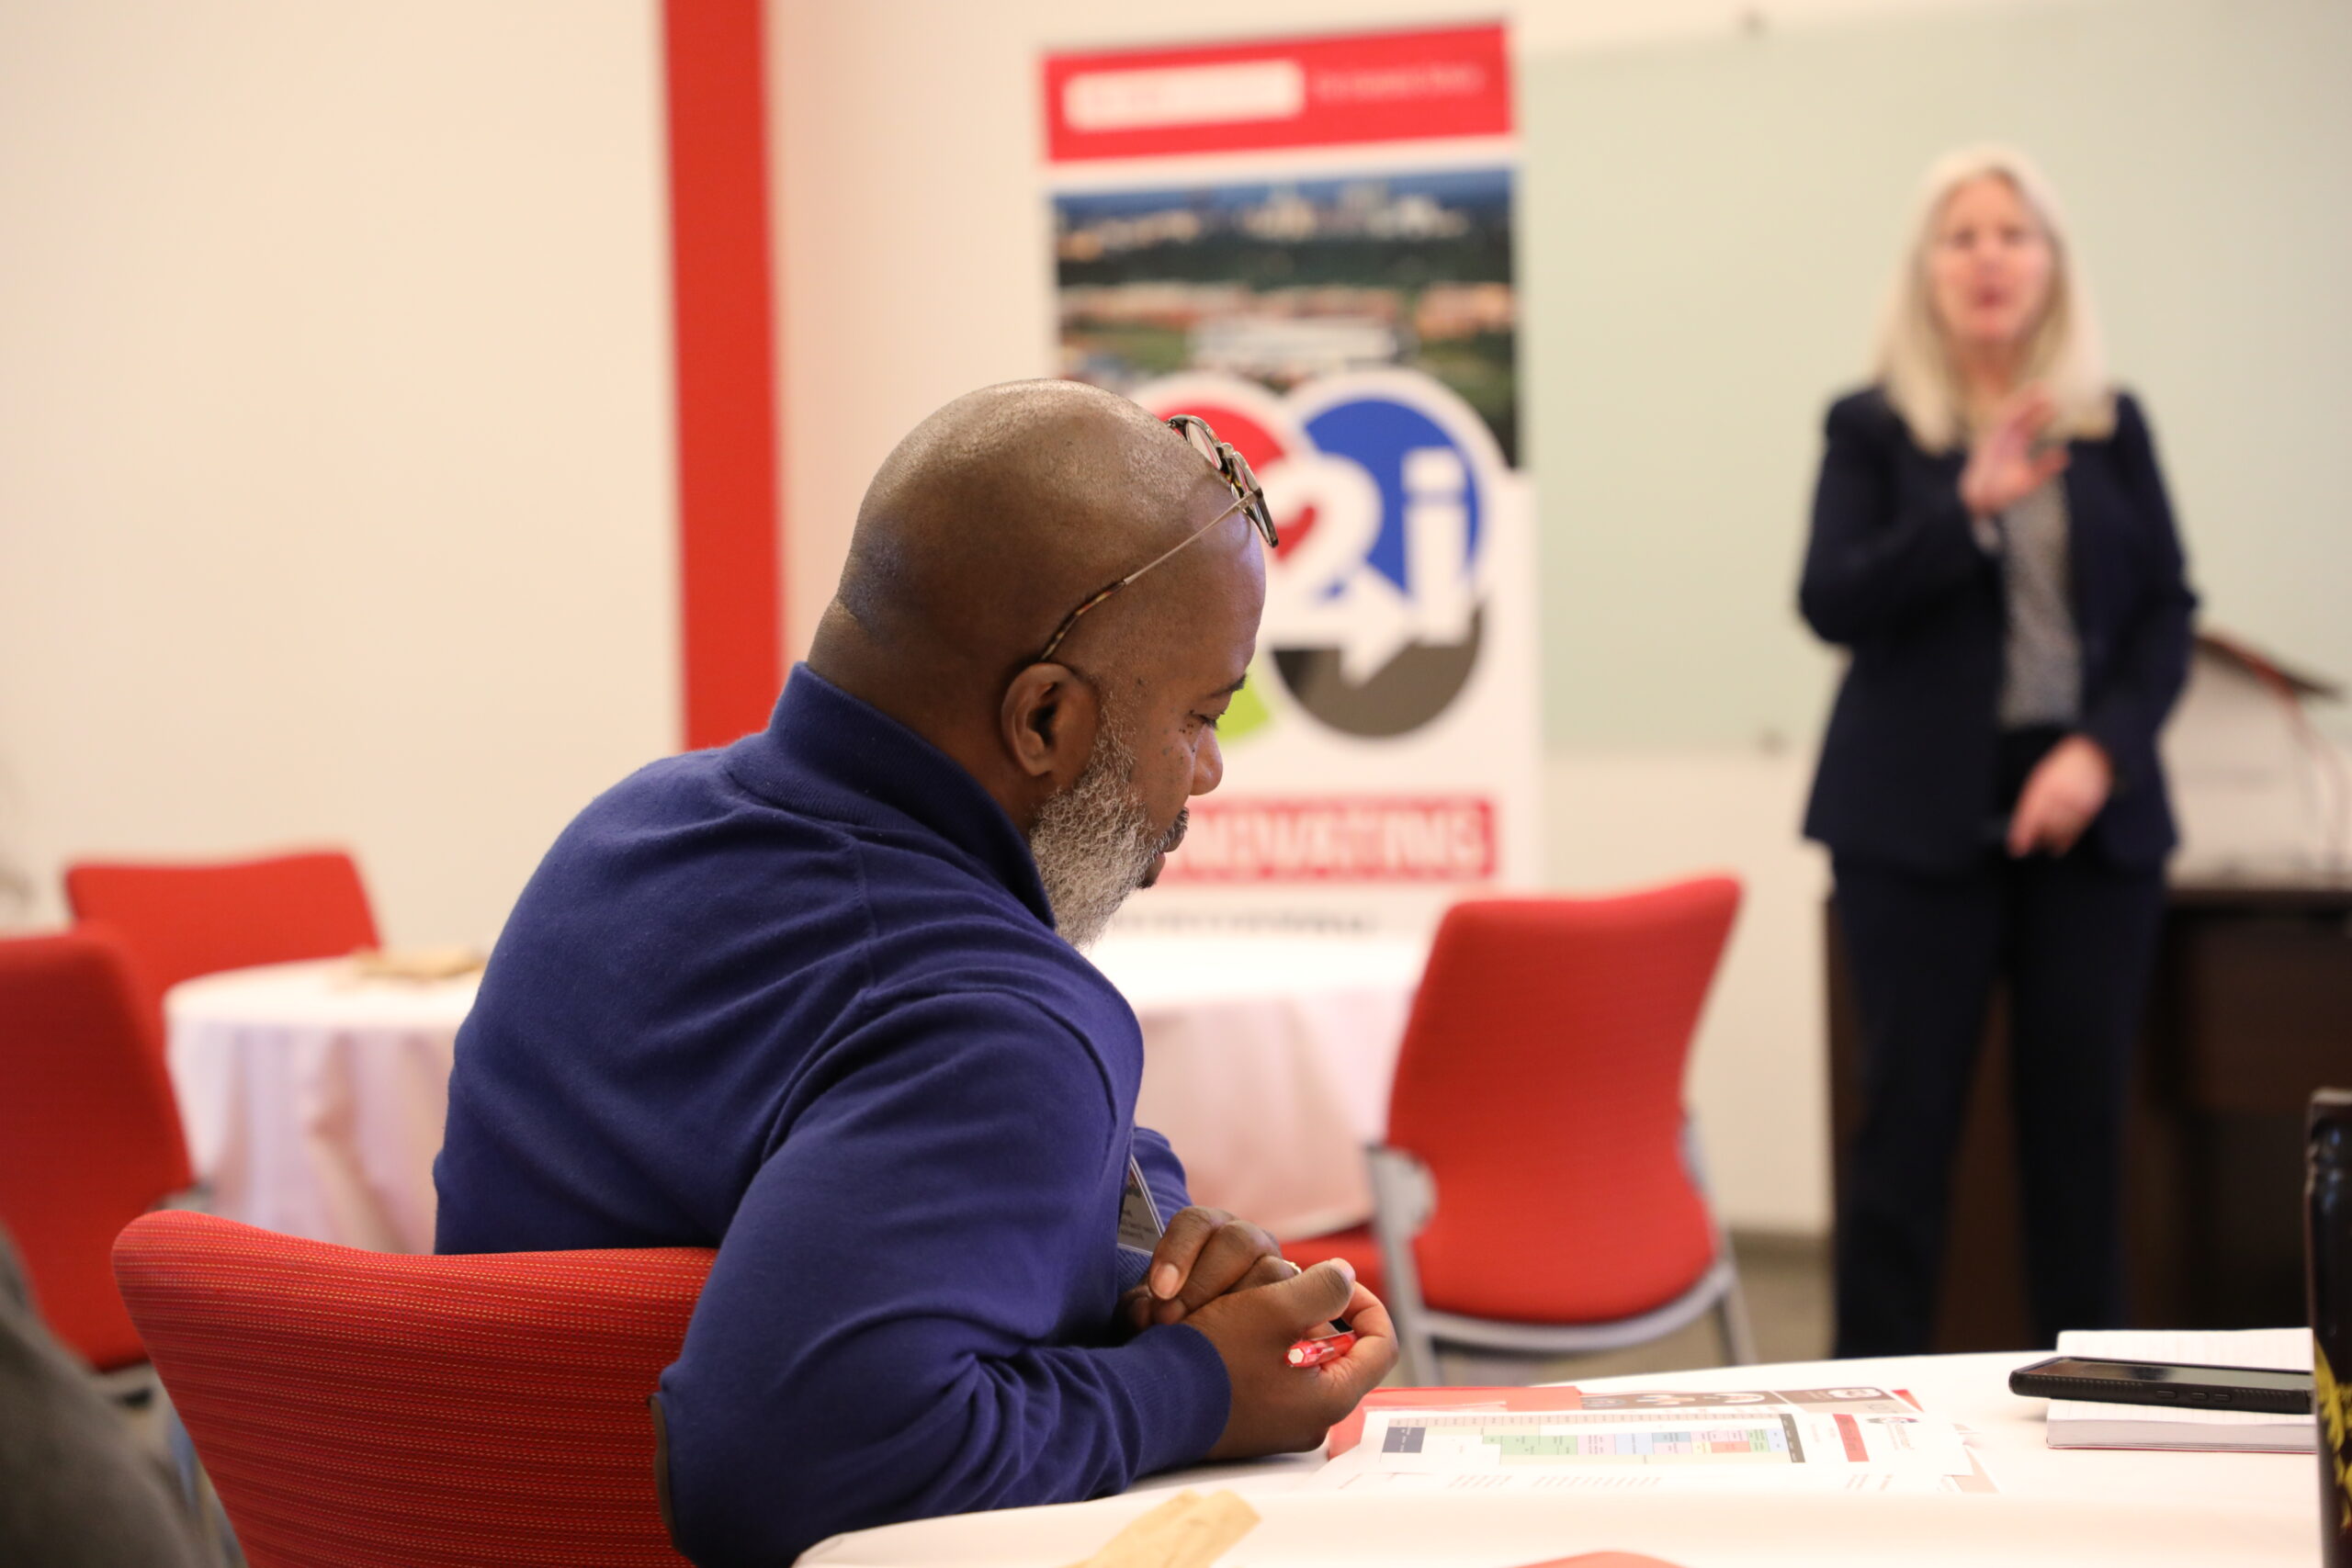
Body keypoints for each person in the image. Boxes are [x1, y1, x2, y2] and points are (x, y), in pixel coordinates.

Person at [434, 381, 1396, 1564]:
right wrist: (1197, 1389)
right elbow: (776, 1470)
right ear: (1044, 720)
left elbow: (831, 1165)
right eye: (1200, 716)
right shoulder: (996, 1018)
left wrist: (1138, 1258)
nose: (1204, 776)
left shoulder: (624, 836)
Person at [1799, 147, 2196, 1357]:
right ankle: (1873, 1407)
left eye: (2012, 234)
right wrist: (1961, 506)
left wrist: (2101, 753)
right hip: (1915, 826)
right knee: (1905, 1139)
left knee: (2082, 1141)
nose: (1988, 257)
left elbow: (2167, 611)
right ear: (1926, 270)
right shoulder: (1872, 429)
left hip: (2090, 823)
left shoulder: (2112, 427)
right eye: (1961, 236)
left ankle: (2098, 1403)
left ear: (2051, 267)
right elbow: (1833, 600)